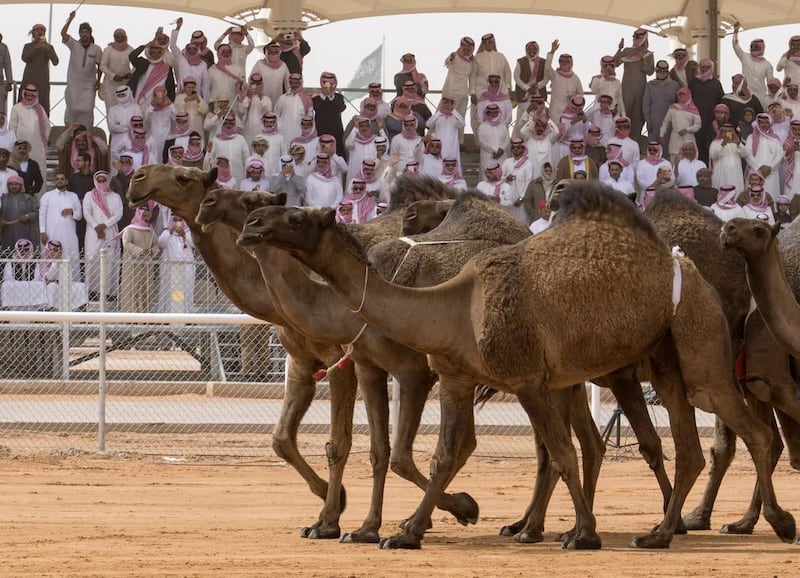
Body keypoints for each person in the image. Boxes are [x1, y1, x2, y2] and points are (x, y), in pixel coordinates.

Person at [83, 171, 122, 301]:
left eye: (103, 180)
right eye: (98, 180)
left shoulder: (115, 196)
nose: (101, 182)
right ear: (95, 181)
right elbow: (87, 213)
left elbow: (118, 214)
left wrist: (104, 225)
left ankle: (109, 292)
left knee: (110, 259)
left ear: (108, 181)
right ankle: (92, 291)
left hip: (110, 231)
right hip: (93, 232)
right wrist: (96, 226)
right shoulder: (89, 195)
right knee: (92, 258)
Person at [61, 12, 102, 128]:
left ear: (90, 33)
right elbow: (63, 34)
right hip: (74, 85)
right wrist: (70, 19)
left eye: (86, 32)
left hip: (89, 86)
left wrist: (99, 81)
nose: (84, 34)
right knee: (72, 110)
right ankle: (71, 136)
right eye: (82, 32)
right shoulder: (73, 44)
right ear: (79, 33)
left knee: (88, 110)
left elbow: (100, 67)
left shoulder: (97, 49)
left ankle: (87, 136)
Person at [613, 28, 655, 142]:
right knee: (623, 115)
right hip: (626, 90)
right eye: (634, 37)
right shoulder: (627, 51)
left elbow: (650, 71)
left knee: (637, 118)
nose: (635, 40)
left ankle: (633, 144)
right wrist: (619, 49)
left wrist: (642, 58)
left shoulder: (648, 54)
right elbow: (615, 63)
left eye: (638, 38)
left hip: (641, 91)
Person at [119, 203, 159, 312]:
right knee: (132, 288)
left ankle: (145, 314)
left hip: (146, 266)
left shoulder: (150, 231)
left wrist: (151, 252)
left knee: (145, 289)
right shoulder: (129, 230)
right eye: (144, 216)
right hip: (132, 265)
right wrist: (141, 251)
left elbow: (156, 246)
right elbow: (126, 244)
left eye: (147, 216)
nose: (146, 218)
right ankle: (131, 315)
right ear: (138, 215)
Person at [469, 33, 512, 133]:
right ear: (483, 44)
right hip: (482, 93)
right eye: (486, 43)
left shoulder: (501, 56)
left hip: (500, 94)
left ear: (494, 43)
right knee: (478, 119)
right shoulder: (477, 57)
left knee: (502, 117)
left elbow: (507, 72)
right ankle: (480, 144)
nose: (488, 44)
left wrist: (508, 87)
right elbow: (473, 75)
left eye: (490, 42)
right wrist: (472, 92)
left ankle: (502, 143)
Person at [39, 172, 82, 264]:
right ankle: (50, 278)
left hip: (69, 234)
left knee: (70, 257)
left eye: (62, 179)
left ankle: (69, 278)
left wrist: (71, 211)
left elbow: (79, 216)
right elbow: (42, 214)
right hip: (51, 233)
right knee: (51, 258)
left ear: (66, 181)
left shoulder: (73, 196)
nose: (59, 181)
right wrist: (42, 232)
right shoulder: (47, 196)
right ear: (55, 181)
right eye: (57, 179)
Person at [9, 84, 49, 184]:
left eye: (32, 96)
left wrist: (43, 140)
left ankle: (39, 197)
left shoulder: (40, 109)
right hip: (21, 146)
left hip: (37, 147)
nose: (30, 97)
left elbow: (47, 126)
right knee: (20, 170)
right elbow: (12, 127)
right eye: (28, 95)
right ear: (24, 95)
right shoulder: (16, 108)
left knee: (38, 170)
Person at [688, 59, 725, 165]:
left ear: (711, 68)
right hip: (696, 119)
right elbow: (688, 100)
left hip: (711, 119)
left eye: (707, 67)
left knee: (709, 142)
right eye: (702, 67)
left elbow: (720, 101)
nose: (704, 70)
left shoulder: (716, 83)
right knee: (697, 142)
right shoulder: (694, 82)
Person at [35, 239, 87, 310]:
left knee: (81, 286)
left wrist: (58, 261)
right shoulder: (43, 261)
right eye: (51, 249)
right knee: (52, 287)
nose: (53, 252)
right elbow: (49, 278)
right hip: (46, 287)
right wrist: (55, 262)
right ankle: (51, 313)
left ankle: (82, 314)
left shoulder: (64, 260)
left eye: (55, 250)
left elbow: (67, 277)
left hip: (63, 285)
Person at [158, 214, 195, 313]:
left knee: (186, 290)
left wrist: (183, 235)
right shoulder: (167, 232)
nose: (177, 222)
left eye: (180, 219)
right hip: (169, 268)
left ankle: (186, 314)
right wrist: (170, 231)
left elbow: (194, 243)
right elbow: (161, 243)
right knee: (169, 290)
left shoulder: (188, 232)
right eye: (175, 220)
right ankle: (167, 314)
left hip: (186, 268)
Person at [744, 113, 785, 202]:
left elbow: (780, 154)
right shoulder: (751, 137)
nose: (764, 125)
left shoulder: (776, 138)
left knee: (771, 197)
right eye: (761, 122)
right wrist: (759, 167)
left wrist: (770, 167)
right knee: (755, 197)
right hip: (756, 173)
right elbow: (747, 154)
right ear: (758, 123)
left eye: (766, 122)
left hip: (771, 173)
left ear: (770, 124)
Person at [20, 24, 59, 116]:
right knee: (25, 108)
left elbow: (55, 62)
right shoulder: (28, 46)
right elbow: (25, 58)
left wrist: (49, 50)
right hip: (29, 81)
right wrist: (35, 48)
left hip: (43, 83)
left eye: (42, 30)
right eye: (37, 30)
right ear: (33, 33)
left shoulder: (49, 47)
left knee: (42, 108)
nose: (40, 32)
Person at [732, 24, 774, 107]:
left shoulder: (767, 64)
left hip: (761, 97)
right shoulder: (745, 57)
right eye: (752, 46)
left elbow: (770, 83)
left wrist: (771, 99)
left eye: (756, 47)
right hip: (746, 96)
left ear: (762, 48)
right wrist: (735, 32)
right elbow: (735, 45)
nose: (753, 48)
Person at [442, 37, 474, 142]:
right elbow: (447, 62)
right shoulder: (455, 55)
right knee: (443, 115)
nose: (466, 48)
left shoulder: (472, 61)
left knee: (460, 118)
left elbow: (471, 78)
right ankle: (436, 139)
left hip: (463, 93)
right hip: (451, 92)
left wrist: (472, 93)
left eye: (469, 47)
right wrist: (450, 57)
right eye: (464, 46)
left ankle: (459, 142)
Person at [1, 238, 47, 309]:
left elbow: (37, 277)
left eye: (26, 250)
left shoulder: (34, 261)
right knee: (6, 285)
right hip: (16, 286)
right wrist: (21, 284)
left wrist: (25, 284)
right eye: (21, 250)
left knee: (41, 285)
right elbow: (7, 277)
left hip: (30, 286)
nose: (23, 252)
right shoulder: (11, 262)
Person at [660, 87, 701, 165]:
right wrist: (661, 135)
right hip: (675, 138)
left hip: (688, 137)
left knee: (690, 161)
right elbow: (666, 122)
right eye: (680, 94)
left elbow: (698, 125)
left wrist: (687, 130)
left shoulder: (693, 109)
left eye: (684, 94)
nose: (681, 96)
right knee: (674, 161)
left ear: (688, 95)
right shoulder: (673, 108)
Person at [543, 41, 582, 122]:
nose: (564, 63)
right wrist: (552, 52)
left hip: (571, 111)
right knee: (555, 132)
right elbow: (547, 67)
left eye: (567, 61)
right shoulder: (555, 75)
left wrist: (574, 98)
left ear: (571, 63)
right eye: (562, 61)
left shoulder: (575, 78)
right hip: (555, 111)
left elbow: (580, 94)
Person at [128, 42, 176, 106]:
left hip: (158, 97)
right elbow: (132, 56)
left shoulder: (166, 67)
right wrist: (145, 46)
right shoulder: (142, 63)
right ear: (149, 53)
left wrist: (171, 100)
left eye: (158, 52)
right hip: (140, 93)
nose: (156, 55)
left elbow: (171, 85)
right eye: (153, 52)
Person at [644, 60, 680, 144]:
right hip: (654, 121)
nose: (662, 73)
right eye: (659, 71)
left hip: (670, 121)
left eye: (664, 71)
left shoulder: (674, 85)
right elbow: (646, 105)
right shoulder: (650, 85)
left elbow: (678, 104)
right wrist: (648, 121)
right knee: (654, 146)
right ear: (656, 71)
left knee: (668, 146)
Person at [313, 72, 347, 158]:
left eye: (331, 83)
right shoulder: (316, 97)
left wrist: (331, 96)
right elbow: (316, 107)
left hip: (336, 131)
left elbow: (341, 108)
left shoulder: (338, 97)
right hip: (321, 130)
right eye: (326, 83)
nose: (328, 86)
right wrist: (324, 95)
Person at [274, 73, 312, 146]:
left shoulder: (307, 99)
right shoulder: (282, 98)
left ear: (300, 83)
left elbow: (310, 118)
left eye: (297, 83)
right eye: (292, 83)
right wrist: (280, 128)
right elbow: (276, 116)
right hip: (284, 133)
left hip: (300, 133)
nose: (294, 85)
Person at [250, 41, 289, 111]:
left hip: (277, 99)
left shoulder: (283, 65)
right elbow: (251, 80)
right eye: (271, 52)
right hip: (262, 100)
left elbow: (288, 83)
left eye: (276, 52)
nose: (273, 54)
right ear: (266, 52)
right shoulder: (260, 64)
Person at [1, 175, 37, 249]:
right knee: (7, 254)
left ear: (21, 186)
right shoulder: (2, 199)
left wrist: (28, 216)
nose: (14, 186)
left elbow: (37, 213)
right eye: (11, 184)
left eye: (16, 184)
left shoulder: (29, 198)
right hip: (7, 233)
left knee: (24, 255)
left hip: (25, 233)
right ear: (8, 186)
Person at [476, 103, 508, 174]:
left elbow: (507, 139)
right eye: (491, 113)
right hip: (488, 154)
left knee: (502, 174)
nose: (493, 114)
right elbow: (481, 141)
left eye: (495, 112)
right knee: (487, 175)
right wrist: (494, 150)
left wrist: (502, 149)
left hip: (501, 154)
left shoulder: (502, 125)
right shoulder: (482, 126)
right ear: (487, 113)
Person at [0, 33, 13, 116]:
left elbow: (7, 65)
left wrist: (9, 81)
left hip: (0, 83)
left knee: (1, 112)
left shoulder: (3, 47)